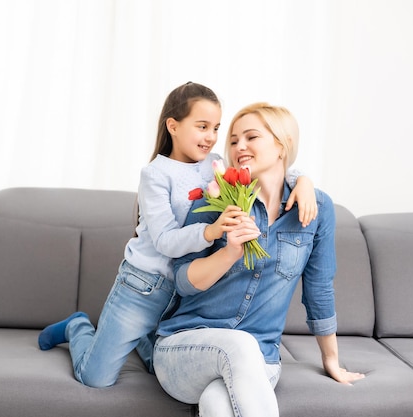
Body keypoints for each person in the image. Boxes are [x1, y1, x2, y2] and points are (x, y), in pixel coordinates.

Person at [37, 84, 317, 388]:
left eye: (215, 128)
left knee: (163, 371)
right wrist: (211, 231)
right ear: (173, 126)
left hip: (184, 299)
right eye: (202, 127)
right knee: (95, 377)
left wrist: (302, 180)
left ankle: (144, 339)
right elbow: (165, 241)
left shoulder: (215, 166)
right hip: (143, 289)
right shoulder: (156, 175)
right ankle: (77, 326)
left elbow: (262, 166)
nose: (211, 137)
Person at [152, 102, 365, 416]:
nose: (239, 147)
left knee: (218, 403)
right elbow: (183, 282)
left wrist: (331, 360)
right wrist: (229, 253)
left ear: (282, 145)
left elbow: (319, 288)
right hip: (187, 348)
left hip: (260, 360)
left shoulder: (315, 208)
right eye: (234, 140)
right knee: (240, 344)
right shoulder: (216, 198)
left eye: (251, 137)